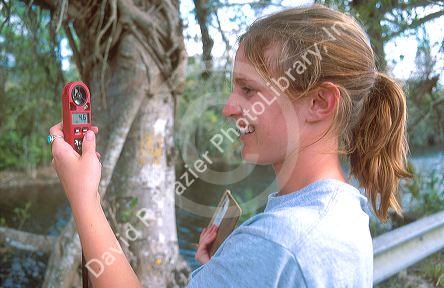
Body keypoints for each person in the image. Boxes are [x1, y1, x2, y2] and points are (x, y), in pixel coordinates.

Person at [49, 3, 412, 288]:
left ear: (319, 103)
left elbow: (280, 255)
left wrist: (84, 198)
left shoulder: (280, 242)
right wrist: (226, 272)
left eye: (249, 89)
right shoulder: (345, 211)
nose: (228, 108)